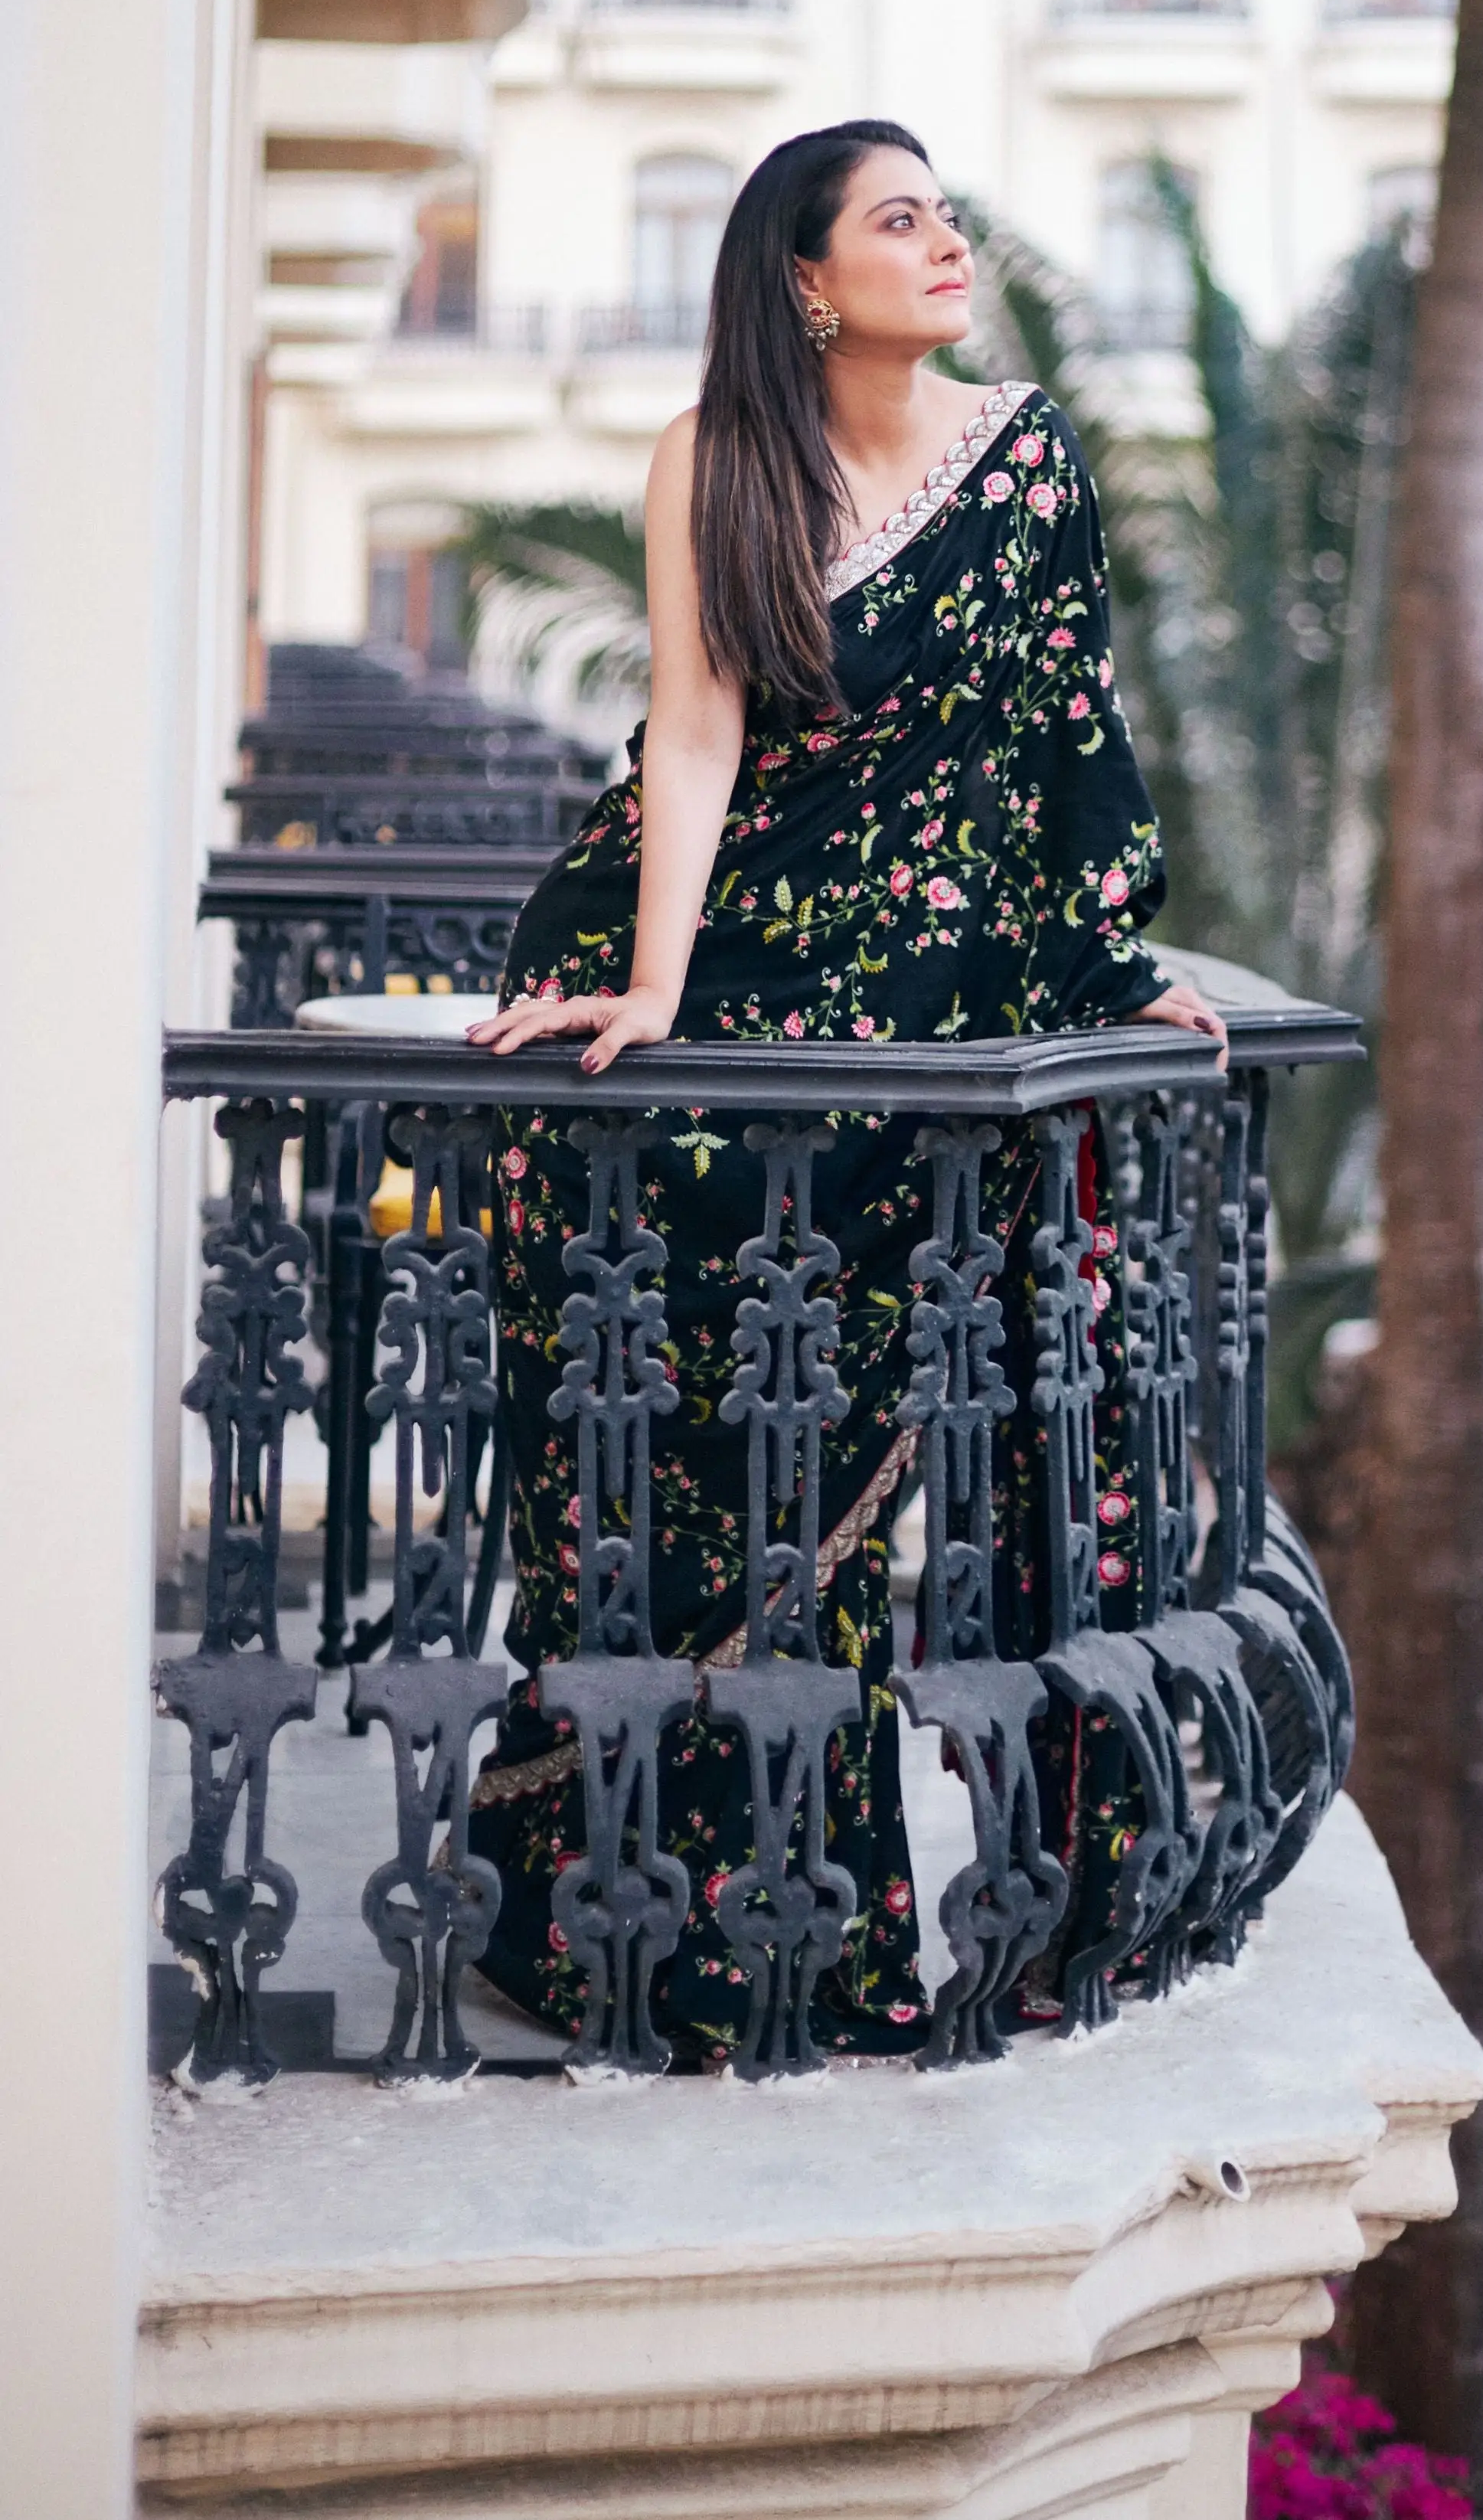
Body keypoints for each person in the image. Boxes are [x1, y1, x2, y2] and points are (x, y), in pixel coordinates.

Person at [465, 117, 1223, 2052]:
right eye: (901, 221)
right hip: (737, 958)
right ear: (809, 280)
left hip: (943, 994)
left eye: (943, 213)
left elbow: (1066, 718)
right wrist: (644, 983)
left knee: (855, 1422)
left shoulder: (1021, 454)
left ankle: (832, 1931)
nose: (944, 242)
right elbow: (698, 731)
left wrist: (1111, 973)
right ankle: (624, 1913)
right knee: (681, 1417)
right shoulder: (715, 462)